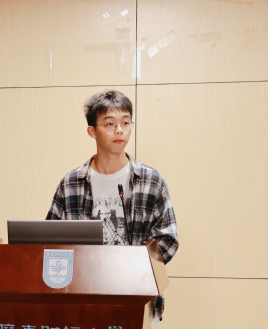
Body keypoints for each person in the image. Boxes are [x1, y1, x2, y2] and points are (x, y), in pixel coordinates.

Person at [46, 90, 178, 264]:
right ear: (92, 131)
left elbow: (167, 240)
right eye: (110, 124)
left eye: (125, 123)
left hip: (135, 279)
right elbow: (50, 242)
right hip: (85, 278)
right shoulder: (70, 184)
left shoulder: (152, 181)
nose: (119, 130)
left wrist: (132, 263)